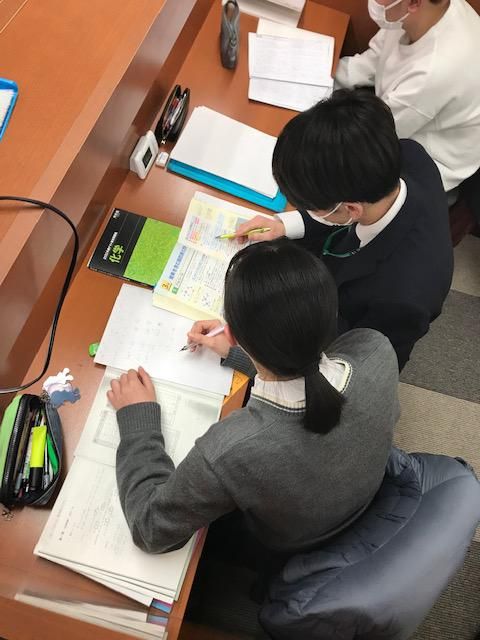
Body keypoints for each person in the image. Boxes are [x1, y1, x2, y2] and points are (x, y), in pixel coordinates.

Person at [108, 239, 399, 558]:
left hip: (286, 545)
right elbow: (307, 374)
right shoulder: (375, 348)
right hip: (359, 498)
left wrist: (138, 423)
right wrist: (245, 355)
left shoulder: (231, 450)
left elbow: (150, 530)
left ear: (230, 334)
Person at [236, 89, 453, 370]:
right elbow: (338, 210)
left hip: (338, 332)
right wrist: (283, 225)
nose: (310, 211)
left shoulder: (402, 299)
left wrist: (247, 355)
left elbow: (353, 372)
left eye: (312, 207)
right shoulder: (407, 154)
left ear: (351, 209)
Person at [335, 0, 480, 194]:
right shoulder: (421, 13)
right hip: (393, 115)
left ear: (414, 3)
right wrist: (321, 74)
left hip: (424, 163)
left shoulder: (434, 71)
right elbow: (373, 60)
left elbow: (375, 136)